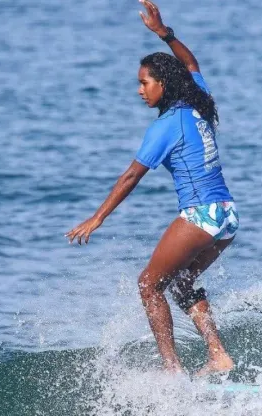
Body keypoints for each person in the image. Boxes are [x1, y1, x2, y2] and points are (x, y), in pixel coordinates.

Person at [65, 0, 239, 377]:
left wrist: (97, 218)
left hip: (200, 214)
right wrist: (165, 34)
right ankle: (218, 355)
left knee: (148, 285)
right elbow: (191, 65)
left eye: (144, 83)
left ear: (162, 83)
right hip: (226, 216)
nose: (140, 91)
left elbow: (131, 176)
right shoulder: (198, 103)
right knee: (181, 283)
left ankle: (171, 372)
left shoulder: (166, 126)